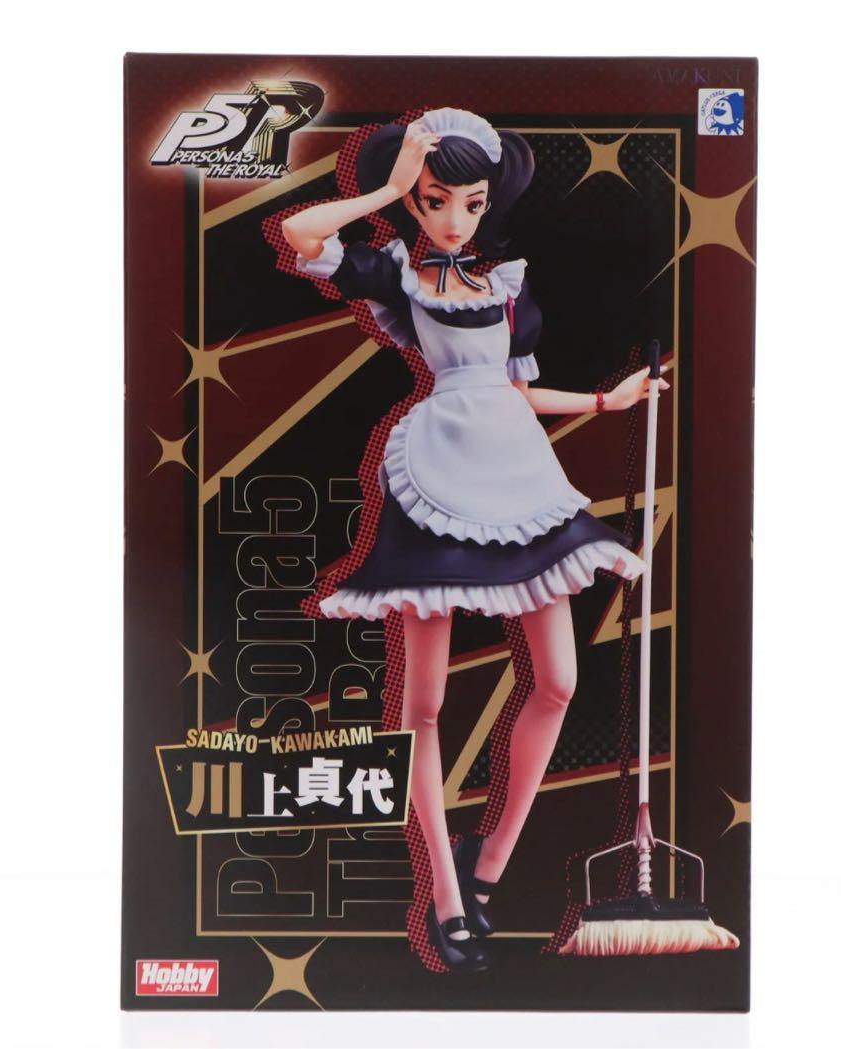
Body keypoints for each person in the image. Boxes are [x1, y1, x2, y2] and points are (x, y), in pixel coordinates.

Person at [280, 107, 668, 973]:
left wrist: (605, 401)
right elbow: (302, 234)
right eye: (433, 200)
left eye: (471, 202)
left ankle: (485, 865)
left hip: (520, 477)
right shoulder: (395, 275)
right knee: (422, 704)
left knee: (558, 681)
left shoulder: (508, 288)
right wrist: (384, 190)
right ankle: (447, 901)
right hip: (440, 476)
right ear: (413, 200)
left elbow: (518, 391)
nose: (454, 218)